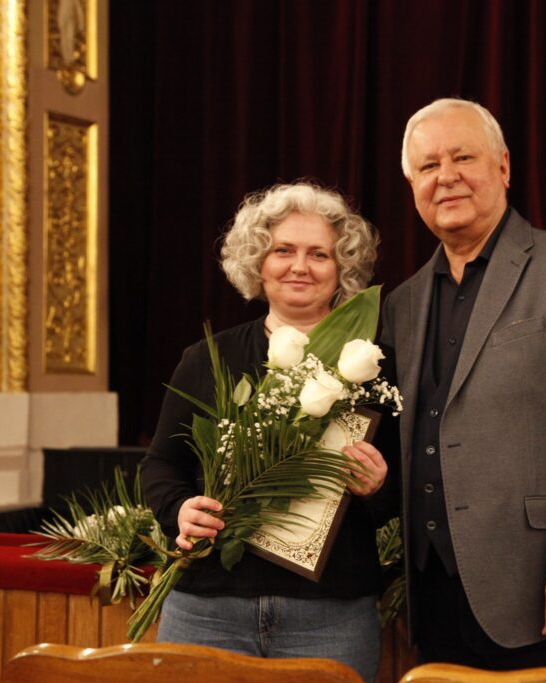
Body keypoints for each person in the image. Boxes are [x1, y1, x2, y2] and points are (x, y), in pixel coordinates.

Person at [380, 98, 546, 670]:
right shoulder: (402, 303)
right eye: (428, 166)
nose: (445, 177)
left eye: (462, 158)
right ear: (412, 186)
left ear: (503, 167)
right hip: (435, 600)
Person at [141, 182, 391, 682]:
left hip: (331, 615)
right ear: (258, 262)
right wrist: (180, 510)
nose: (300, 266)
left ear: (341, 268)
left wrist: (380, 486)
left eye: (318, 254)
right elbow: (160, 465)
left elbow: (412, 485)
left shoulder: (375, 368)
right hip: (206, 609)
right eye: (283, 251)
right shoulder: (207, 358)